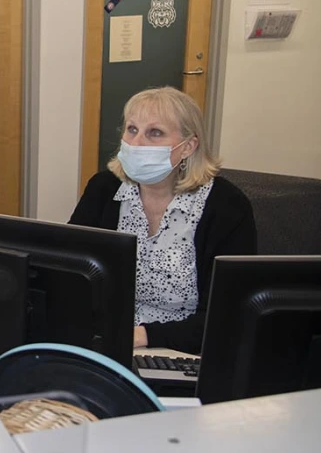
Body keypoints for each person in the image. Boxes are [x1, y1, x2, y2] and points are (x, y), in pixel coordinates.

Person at [70, 86, 256, 354]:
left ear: (188, 146)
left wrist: (142, 335)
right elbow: (70, 273)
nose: (136, 143)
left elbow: (228, 317)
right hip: (106, 342)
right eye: (132, 129)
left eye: (154, 133)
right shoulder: (105, 189)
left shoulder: (226, 207)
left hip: (185, 350)